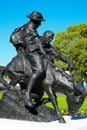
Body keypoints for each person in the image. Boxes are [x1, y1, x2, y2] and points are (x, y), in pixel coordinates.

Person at [18, 11, 48, 107]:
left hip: (34, 50)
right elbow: (29, 45)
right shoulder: (29, 29)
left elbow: (37, 41)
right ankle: (27, 94)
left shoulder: (32, 28)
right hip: (30, 52)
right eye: (39, 21)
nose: (40, 24)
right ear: (35, 21)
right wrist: (41, 50)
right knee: (39, 70)